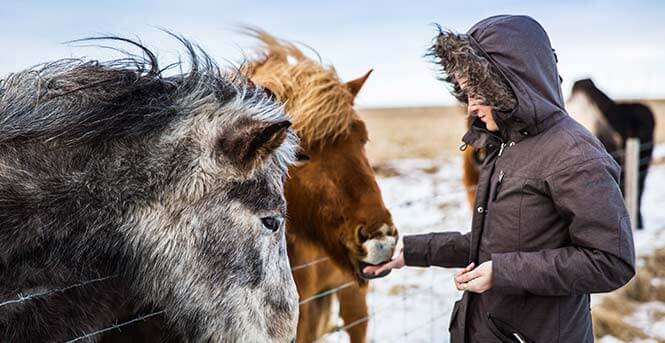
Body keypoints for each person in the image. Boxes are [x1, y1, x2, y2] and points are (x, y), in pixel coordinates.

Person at [364, 15, 636, 342]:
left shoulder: (575, 155)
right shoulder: (506, 146)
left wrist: (501, 273)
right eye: (465, 94)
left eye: (478, 93)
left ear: (512, 82)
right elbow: (491, 244)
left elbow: (611, 261)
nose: (470, 108)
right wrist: (411, 251)